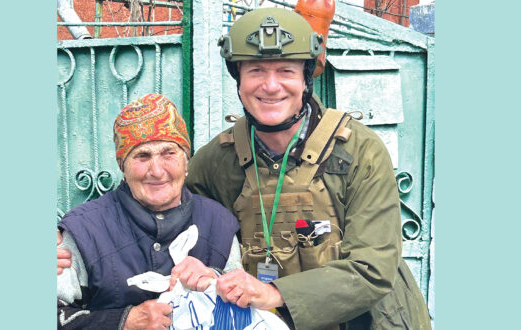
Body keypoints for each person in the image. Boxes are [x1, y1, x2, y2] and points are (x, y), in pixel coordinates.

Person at [59, 7, 432, 329]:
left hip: (367, 321)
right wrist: (66, 247)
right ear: (239, 81)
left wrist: (272, 292)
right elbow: (156, 211)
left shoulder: (358, 150)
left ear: (305, 78)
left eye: (286, 71)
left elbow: (373, 266)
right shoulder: (218, 159)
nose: (271, 86)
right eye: (255, 71)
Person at [56, 93, 242, 329]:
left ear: (186, 162)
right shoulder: (85, 230)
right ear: (123, 166)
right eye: (142, 156)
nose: (156, 170)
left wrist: (213, 279)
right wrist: (121, 322)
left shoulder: (218, 223)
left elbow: (243, 307)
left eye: (169, 153)